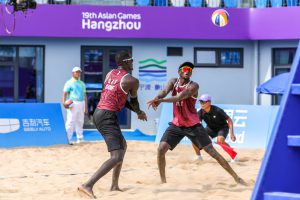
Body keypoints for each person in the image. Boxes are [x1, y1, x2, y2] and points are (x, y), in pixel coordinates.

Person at [147, 61, 246, 185]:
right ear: (179, 72)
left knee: (212, 152)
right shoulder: (173, 82)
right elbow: (164, 91)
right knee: (161, 149)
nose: (188, 71)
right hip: (177, 124)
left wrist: (160, 100)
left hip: (193, 125)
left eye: (190, 69)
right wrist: (157, 98)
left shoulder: (194, 86)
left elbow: (179, 97)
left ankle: (236, 178)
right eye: (185, 68)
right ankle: (163, 182)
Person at [78, 51, 147, 198]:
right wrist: (139, 112)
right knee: (116, 156)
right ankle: (87, 185)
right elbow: (133, 102)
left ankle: (114, 185)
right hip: (107, 116)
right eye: (131, 60)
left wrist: (138, 112)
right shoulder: (132, 81)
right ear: (126, 62)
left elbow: (120, 99)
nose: (133, 62)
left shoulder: (110, 74)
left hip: (99, 112)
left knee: (123, 146)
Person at [192, 94, 238, 162]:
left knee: (220, 141)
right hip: (210, 129)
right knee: (194, 140)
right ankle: (199, 157)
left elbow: (229, 120)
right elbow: (199, 125)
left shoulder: (217, 110)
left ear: (209, 102)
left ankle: (234, 156)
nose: (202, 104)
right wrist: (204, 134)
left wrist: (232, 134)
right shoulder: (200, 112)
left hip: (222, 127)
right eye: (201, 102)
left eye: (203, 102)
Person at [62, 66, 88, 145]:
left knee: (80, 121)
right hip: (73, 103)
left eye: (79, 72)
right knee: (70, 121)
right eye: (76, 72)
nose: (78, 73)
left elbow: (84, 95)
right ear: (73, 73)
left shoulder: (82, 83)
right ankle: (67, 139)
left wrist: (86, 106)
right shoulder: (69, 82)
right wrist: (64, 103)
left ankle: (80, 138)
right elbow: (64, 93)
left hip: (81, 103)